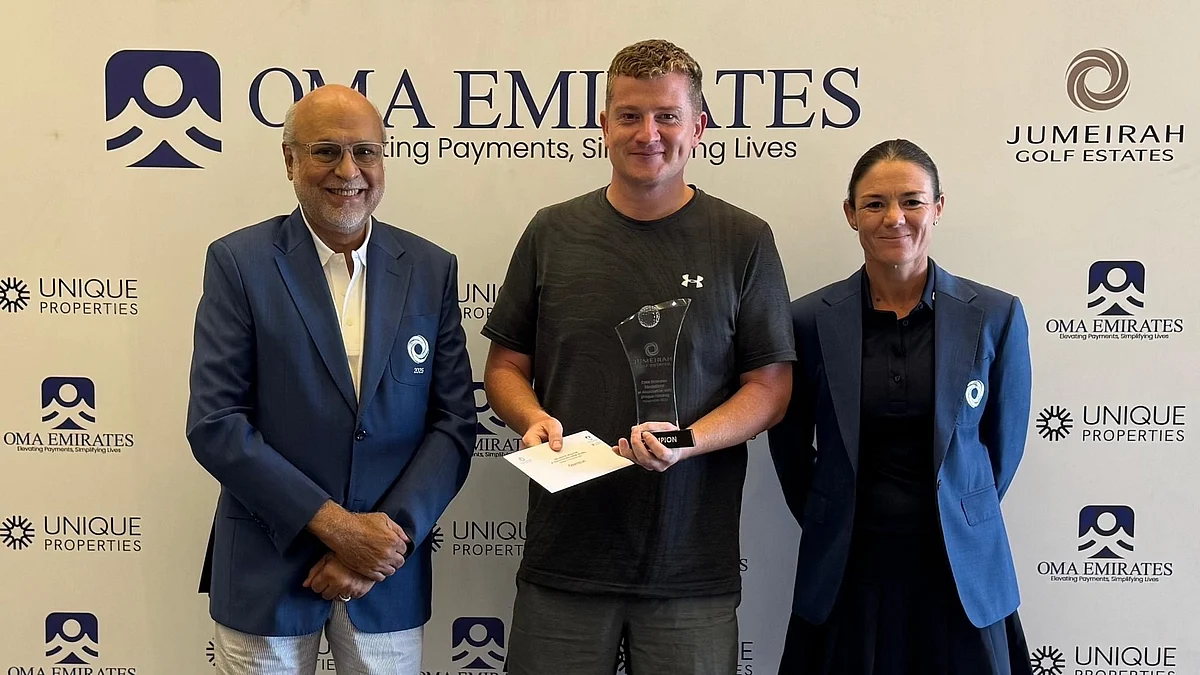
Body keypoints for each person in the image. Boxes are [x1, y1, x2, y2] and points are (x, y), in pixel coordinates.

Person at [482, 39, 795, 675]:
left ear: (698, 127)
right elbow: (505, 368)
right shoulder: (551, 233)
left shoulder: (744, 239)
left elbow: (770, 388)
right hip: (565, 558)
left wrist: (690, 441)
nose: (648, 133)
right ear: (604, 125)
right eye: (629, 115)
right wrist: (530, 418)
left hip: (690, 566)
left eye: (666, 116)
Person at [186, 84, 475, 675]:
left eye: (365, 152)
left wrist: (381, 544)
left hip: (385, 576)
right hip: (267, 567)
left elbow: (453, 424)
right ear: (289, 160)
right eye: (326, 152)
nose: (349, 171)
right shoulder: (239, 262)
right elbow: (216, 424)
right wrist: (338, 529)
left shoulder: (430, 268)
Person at [768, 139, 1033, 674]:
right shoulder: (807, 321)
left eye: (912, 201)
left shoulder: (995, 314)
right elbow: (790, 451)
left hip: (961, 570)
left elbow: (1001, 449)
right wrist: (832, 515)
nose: (895, 218)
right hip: (848, 571)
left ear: (938, 208)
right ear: (851, 214)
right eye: (875, 204)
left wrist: (959, 509)